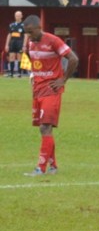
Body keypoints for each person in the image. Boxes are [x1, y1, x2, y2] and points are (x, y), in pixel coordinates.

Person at [22, 15, 79, 176]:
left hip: (51, 89)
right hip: (37, 89)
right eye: (27, 33)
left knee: (45, 127)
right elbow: (34, 62)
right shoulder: (31, 43)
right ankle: (53, 165)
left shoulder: (53, 40)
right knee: (45, 128)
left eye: (31, 32)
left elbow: (73, 58)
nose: (29, 36)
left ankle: (41, 168)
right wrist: (34, 75)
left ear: (39, 27)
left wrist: (63, 79)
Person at [5, 10, 25, 78]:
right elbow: (9, 35)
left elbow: (25, 36)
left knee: (19, 57)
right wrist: (7, 44)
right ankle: (11, 73)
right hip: (12, 43)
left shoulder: (24, 25)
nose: (17, 17)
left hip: (20, 43)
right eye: (16, 15)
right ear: (14, 16)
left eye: (19, 15)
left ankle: (19, 73)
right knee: (11, 57)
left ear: (21, 16)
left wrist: (24, 45)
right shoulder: (11, 25)